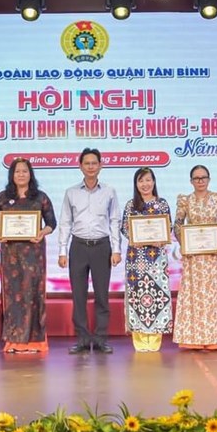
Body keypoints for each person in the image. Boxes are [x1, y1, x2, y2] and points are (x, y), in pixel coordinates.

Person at [0, 158, 57, 354]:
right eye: (17, 171)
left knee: (33, 294)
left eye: (24, 171)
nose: (21, 174)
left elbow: (51, 223)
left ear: (30, 174)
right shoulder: (2, 197)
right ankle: (13, 341)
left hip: (34, 255)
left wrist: (42, 233)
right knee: (13, 296)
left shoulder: (40, 197)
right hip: (10, 255)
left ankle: (36, 342)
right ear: (12, 175)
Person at [58, 148, 122, 354]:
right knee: (79, 296)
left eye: (94, 163)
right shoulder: (71, 192)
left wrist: (116, 249)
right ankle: (83, 339)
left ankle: (101, 338)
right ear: (80, 166)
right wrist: (62, 251)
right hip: (78, 247)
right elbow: (65, 222)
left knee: (102, 295)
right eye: (87, 163)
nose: (91, 167)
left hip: (102, 247)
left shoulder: (109, 191)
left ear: (101, 166)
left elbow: (115, 221)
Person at [172, 165, 217, 350]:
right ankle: (192, 338)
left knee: (213, 295)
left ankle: (215, 339)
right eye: (196, 178)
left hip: (212, 256)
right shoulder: (185, 201)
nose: (200, 181)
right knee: (193, 295)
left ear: (209, 179)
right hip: (193, 257)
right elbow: (177, 224)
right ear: (191, 181)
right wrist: (185, 243)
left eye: (203, 177)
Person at [120, 167, 173, 352]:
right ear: (136, 184)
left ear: (154, 182)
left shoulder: (162, 204)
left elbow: (168, 227)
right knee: (137, 297)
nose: (145, 184)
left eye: (148, 180)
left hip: (157, 259)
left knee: (157, 296)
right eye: (141, 181)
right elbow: (124, 228)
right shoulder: (130, 205)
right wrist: (137, 238)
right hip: (136, 259)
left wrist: (161, 239)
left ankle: (155, 339)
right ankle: (140, 339)